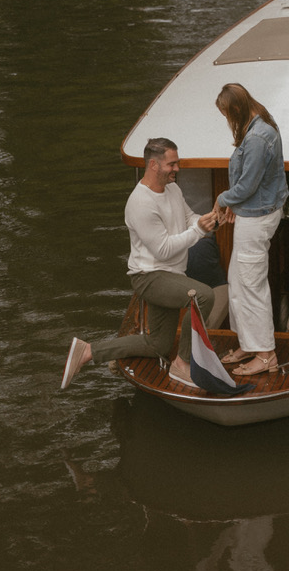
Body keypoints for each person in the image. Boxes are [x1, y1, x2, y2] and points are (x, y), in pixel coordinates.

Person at [61, 137, 218, 391]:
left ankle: (89, 351)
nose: (177, 169)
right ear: (154, 165)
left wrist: (210, 220)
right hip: (150, 277)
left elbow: (189, 218)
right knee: (203, 296)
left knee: (158, 344)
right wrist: (199, 231)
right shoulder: (140, 203)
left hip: (169, 275)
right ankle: (182, 364)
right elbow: (164, 250)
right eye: (172, 164)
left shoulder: (172, 189)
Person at [214, 83, 288, 377]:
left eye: (226, 115)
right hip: (253, 213)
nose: (228, 121)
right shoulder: (261, 124)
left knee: (252, 284)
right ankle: (248, 343)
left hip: (256, 220)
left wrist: (223, 199)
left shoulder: (257, 138)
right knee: (238, 279)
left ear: (235, 110)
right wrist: (237, 203)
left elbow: (248, 185)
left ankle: (266, 354)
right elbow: (249, 185)